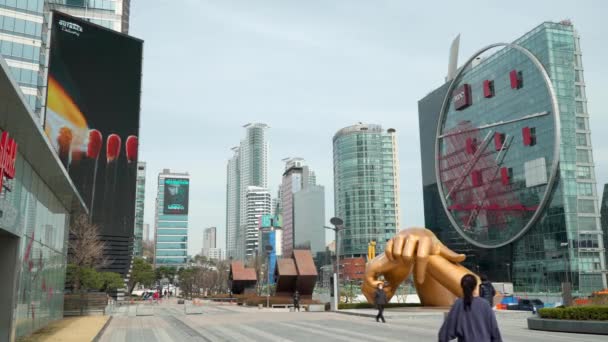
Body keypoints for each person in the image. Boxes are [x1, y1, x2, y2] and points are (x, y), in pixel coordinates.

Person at [439, 274, 502, 342]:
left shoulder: (459, 304)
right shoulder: (485, 304)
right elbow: (494, 331)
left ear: (462, 287)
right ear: (475, 287)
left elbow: (445, 333)